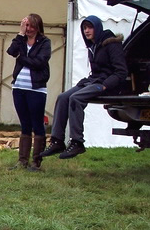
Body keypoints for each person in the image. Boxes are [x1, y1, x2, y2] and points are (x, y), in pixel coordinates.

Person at [40, 15, 128, 159]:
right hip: (93, 80)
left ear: (97, 28)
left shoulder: (111, 44)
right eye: (84, 28)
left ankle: (77, 143)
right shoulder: (93, 45)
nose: (87, 31)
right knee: (62, 97)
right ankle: (57, 141)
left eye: (90, 27)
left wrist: (105, 86)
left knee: (76, 98)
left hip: (107, 84)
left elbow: (121, 72)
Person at [6, 14, 51, 171]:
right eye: (26, 26)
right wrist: (20, 34)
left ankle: (36, 162)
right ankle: (22, 161)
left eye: (32, 26)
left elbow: (39, 63)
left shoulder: (45, 42)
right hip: (19, 88)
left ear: (38, 27)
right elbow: (11, 51)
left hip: (36, 89)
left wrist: (21, 57)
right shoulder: (22, 40)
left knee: (37, 124)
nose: (29, 29)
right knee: (25, 124)